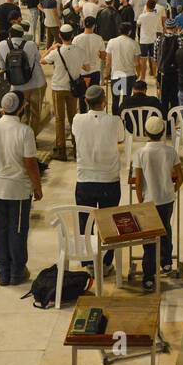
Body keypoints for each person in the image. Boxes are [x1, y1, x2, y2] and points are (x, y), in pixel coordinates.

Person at [0, 91, 40, 286]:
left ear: (3, 108)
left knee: (2, 230)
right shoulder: (25, 131)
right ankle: (17, 272)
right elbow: (30, 163)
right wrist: (37, 187)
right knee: (18, 230)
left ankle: (3, 273)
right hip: (18, 188)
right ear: (21, 108)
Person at [71, 85, 124, 271]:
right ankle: (106, 262)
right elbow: (120, 139)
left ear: (86, 102)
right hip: (109, 180)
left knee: (85, 224)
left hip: (85, 179)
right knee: (109, 223)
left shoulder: (77, 120)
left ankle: (87, 263)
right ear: (105, 102)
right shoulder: (115, 121)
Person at [131, 114, 183, 291]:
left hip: (149, 201)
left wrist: (140, 201)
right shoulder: (170, 151)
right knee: (165, 229)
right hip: (166, 199)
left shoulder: (140, 153)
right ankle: (166, 262)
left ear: (146, 132)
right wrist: (172, 190)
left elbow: (138, 182)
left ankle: (148, 277)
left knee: (149, 238)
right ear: (162, 133)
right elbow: (180, 177)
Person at [42, 24, 84, 161]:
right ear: (72, 36)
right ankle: (77, 147)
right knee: (73, 118)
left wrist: (50, 48)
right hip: (73, 89)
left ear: (60, 36)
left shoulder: (56, 52)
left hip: (58, 88)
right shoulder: (79, 50)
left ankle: (61, 151)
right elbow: (85, 65)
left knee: (59, 119)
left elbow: (41, 60)